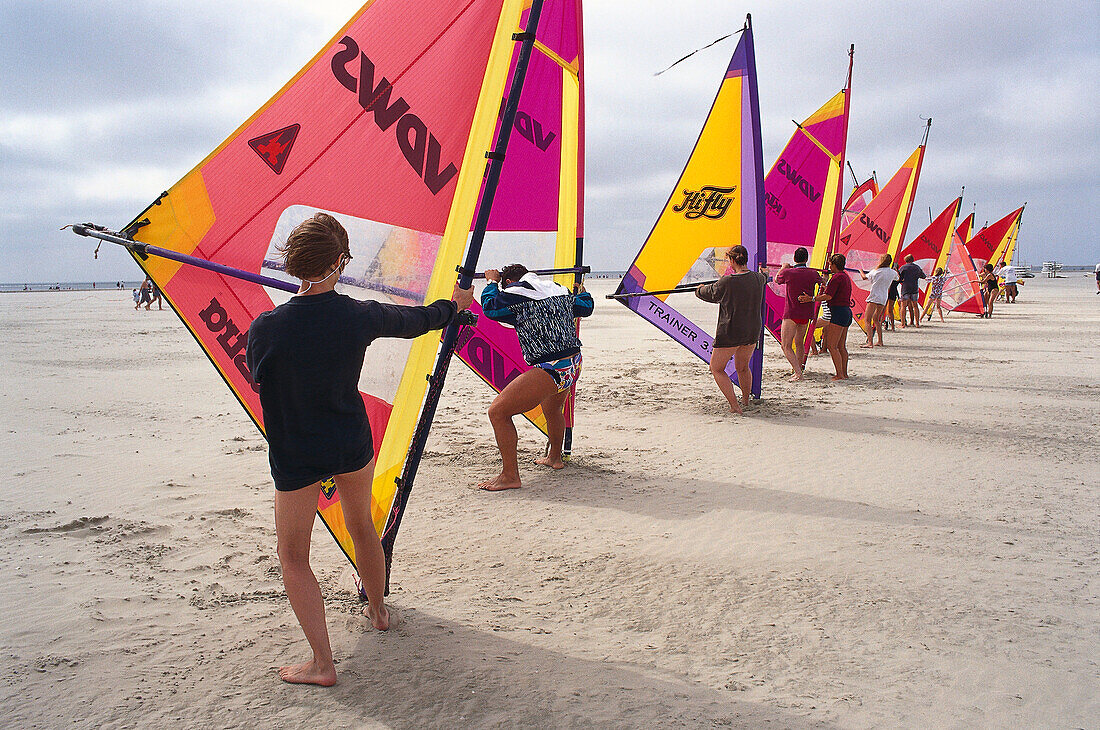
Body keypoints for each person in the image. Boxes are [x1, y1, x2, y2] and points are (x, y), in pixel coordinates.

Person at [245, 213, 473, 686]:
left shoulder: (266, 328)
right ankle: (378, 610)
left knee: (294, 557)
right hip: (350, 441)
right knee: (361, 527)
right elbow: (417, 321)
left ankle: (324, 664)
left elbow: (258, 378)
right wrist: (454, 307)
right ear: (338, 263)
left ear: (292, 264)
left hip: (296, 451)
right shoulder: (357, 315)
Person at [477, 264, 594, 490]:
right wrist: (583, 291)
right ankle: (555, 458)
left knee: (498, 413)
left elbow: (490, 308)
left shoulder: (516, 291)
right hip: (573, 364)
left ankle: (510, 476)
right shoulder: (558, 289)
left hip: (552, 367)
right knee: (552, 410)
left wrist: (491, 282)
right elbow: (586, 307)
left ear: (509, 282)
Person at [694, 245, 767, 412]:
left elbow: (710, 293)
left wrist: (698, 289)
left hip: (731, 331)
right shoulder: (758, 279)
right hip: (752, 331)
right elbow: (764, 276)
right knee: (743, 367)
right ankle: (746, 401)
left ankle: (735, 406)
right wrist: (765, 272)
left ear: (732, 260)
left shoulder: (728, 281)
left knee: (717, 368)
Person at [770, 246, 822, 379]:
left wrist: (784, 267)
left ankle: (798, 372)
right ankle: (798, 369)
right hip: (806, 313)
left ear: (794, 258)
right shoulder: (813, 273)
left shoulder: (788, 273)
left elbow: (777, 279)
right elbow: (822, 281)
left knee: (786, 345)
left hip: (792, 313)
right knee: (799, 343)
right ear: (806, 259)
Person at [800, 253, 852, 380]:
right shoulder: (845, 276)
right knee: (841, 346)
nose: (829, 266)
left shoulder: (836, 277)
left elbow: (828, 296)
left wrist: (811, 298)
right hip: (846, 312)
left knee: (832, 346)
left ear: (834, 265)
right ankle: (844, 373)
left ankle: (840, 374)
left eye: (830, 264)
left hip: (838, 313)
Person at [859, 253, 897, 348]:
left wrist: (860, 271)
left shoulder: (876, 271)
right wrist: (895, 271)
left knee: (867, 319)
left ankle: (870, 342)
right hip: (883, 297)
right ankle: (880, 341)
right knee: (877, 319)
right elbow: (898, 278)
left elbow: (864, 277)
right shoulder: (892, 272)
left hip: (874, 296)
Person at [897, 254, 927, 328]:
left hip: (906, 288)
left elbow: (898, 278)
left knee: (903, 306)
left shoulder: (903, 267)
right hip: (914, 288)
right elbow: (923, 276)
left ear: (905, 260)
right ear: (913, 260)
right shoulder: (917, 267)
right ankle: (917, 323)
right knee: (915, 306)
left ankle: (903, 324)